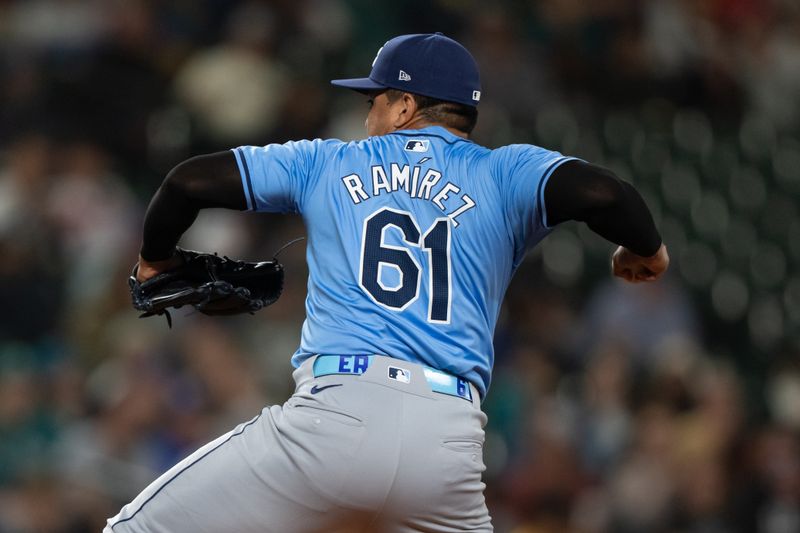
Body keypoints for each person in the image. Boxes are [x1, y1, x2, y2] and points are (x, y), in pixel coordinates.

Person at [105, 32, 669, 532]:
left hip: (335, 420)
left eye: (372, 99)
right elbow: (607, 195)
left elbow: (186, 183)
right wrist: (648, 251)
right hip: (448, 447)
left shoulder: (328, 162)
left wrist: (155, 260)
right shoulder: (505, 172)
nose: (366, 113)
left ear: (403, 105)